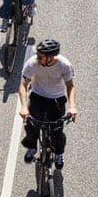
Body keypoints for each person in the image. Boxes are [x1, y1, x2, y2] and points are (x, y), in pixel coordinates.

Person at [19, 39, 76, 169]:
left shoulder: (64, 65)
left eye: (40, 56)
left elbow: (70, 86)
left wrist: (72, 106)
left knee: (57, 132)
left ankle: (58, 154)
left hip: (56, 99)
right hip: (38, 96)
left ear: (50, 57)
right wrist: (23, 106)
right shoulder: (33, 63)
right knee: (32, 124)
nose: (37, 58)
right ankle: (32, 148)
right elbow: (23, 85)